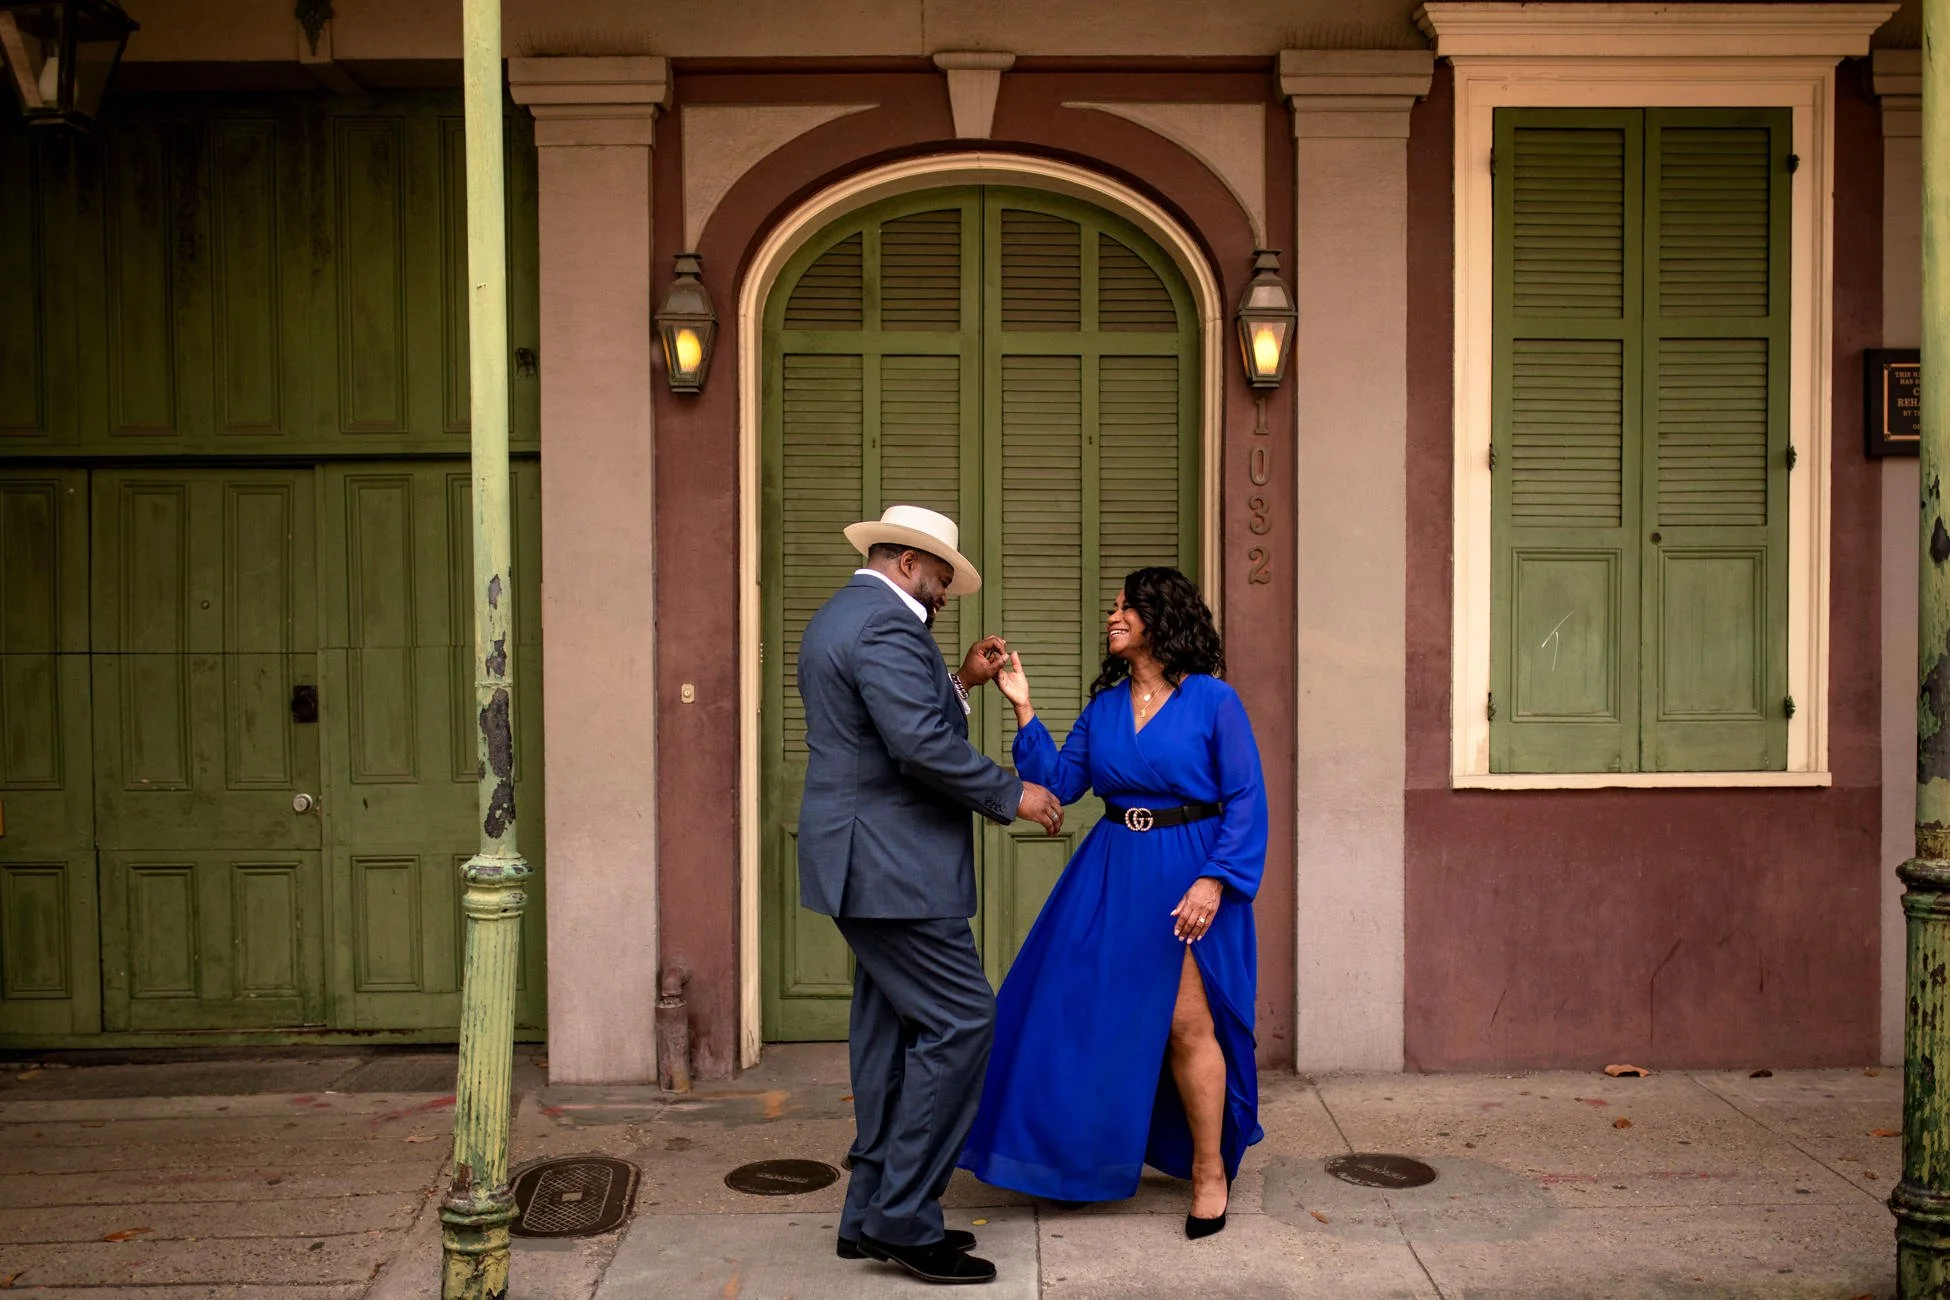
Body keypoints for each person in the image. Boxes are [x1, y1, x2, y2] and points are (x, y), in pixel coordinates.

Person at [796, 503, 1065, 1286]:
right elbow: (915, 744)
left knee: (888, 1036)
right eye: (944, 578)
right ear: (910, 564)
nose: (947, 595)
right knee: (961, 1022)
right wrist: (1012, 793)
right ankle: (904, 1218)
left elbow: (884, 720)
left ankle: (866, 1216)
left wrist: (962, 681)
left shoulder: (840, 617)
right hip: (895, 869)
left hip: (863, 865)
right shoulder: (887, 626)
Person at [958, 566, 1268, 1238]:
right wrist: (1022, 709)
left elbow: (1245, 798)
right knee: (1073, 1014)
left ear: (1161, 617)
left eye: (1126, 607)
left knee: (1188, 1027)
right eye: (1114, 607)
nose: (1113, 615)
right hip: (1110, 870)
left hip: (1189, 870)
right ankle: (1075, 1159)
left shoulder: (1214, 701)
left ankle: (1209, 1174)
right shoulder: (1104, 708)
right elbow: (1062, 785)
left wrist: (1214, 880)